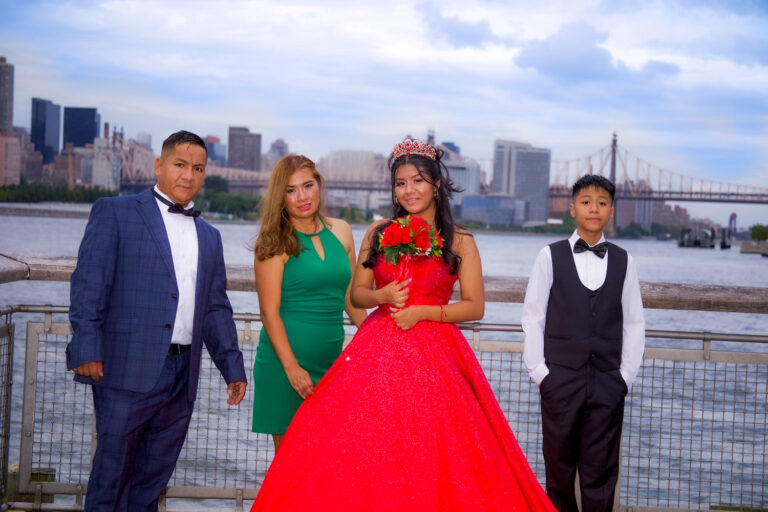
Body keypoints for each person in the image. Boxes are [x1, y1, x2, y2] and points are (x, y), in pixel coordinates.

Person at [250, 138, 555, 511]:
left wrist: (423, 312)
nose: (408, 190)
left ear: (436, 185)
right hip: (378, 351)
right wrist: (380, 296)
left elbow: (475, 305)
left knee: (435, 448)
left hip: (436, 358)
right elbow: (357, 294)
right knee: (357, 447)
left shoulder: (461, 240)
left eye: (417, 181)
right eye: (400, 183)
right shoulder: (377, 233)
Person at [67, 130, 248, 511]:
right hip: (124, 368)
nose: (189, 175)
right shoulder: (115, 211)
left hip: (182, 376)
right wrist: (86, 346)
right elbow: (89, 284)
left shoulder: (210, 236)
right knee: (110, 478)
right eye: (180, 165)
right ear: (158, 165)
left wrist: (233, 368)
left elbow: (215, 308)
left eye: (198, 168)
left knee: (151, 483)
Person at [521, 174, 645, 512]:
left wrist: (624, 377)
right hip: (560, 379)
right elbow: (533, 316)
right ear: (573, 208)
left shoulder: (625, 260)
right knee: (558, 469)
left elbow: (634, 322)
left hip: (607, 380)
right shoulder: (549, 256)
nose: (594, 208)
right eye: (586, 202)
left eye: (602, 203)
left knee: (601, 472)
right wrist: (540, 373)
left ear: (611, 211)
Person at [251, 154, 366, 449]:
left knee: (325, 461)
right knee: (290, 464)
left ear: (319, 185)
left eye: (307, 186)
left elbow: (351, 298)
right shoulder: (274, 241)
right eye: (291, 190)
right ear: (281, 197)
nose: (302, 197)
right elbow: (268, 313)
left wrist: (376, 339)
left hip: (332, 366)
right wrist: (292, 368)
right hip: (285, 367)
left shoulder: (341, 231)